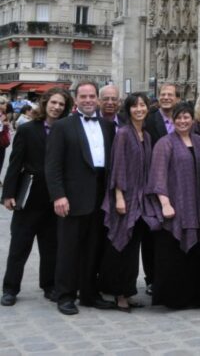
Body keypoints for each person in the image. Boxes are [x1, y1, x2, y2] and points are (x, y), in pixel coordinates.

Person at [46, 81, 116, 315]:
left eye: (92, 96)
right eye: (83, 96)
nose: (88, 100)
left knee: (93, 248)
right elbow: (53, 165)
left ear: (97, 99)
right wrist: (59, 196)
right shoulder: (62, 126)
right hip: (72, 198)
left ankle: (89, 293)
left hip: (100, 196)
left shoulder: (108, 126)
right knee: (68, 249)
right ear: (75, 99)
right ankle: (65, 295)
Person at [1, 88, 71, 307]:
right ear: (45, 103)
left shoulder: (66, 131)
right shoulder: (27, 130)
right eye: (53, 102)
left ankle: (49, 285)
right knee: (19, 245)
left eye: (61, 104)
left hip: (54, 197)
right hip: (29, 196)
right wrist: (8, 194)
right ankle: (10, 288)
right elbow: (15, 163)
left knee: (51, 246)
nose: (56, 107)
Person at [99, 93, 153, 312]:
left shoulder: (146, 135)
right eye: (135, 106)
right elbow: (118, 166)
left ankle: (128, 291)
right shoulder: (123, 133)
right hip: (125, 198)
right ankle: (118, 293)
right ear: (128, 110)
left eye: (143, 105)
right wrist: (119, 197)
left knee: (133, 248)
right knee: (120, 245)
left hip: (141, 200)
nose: (139, 109)